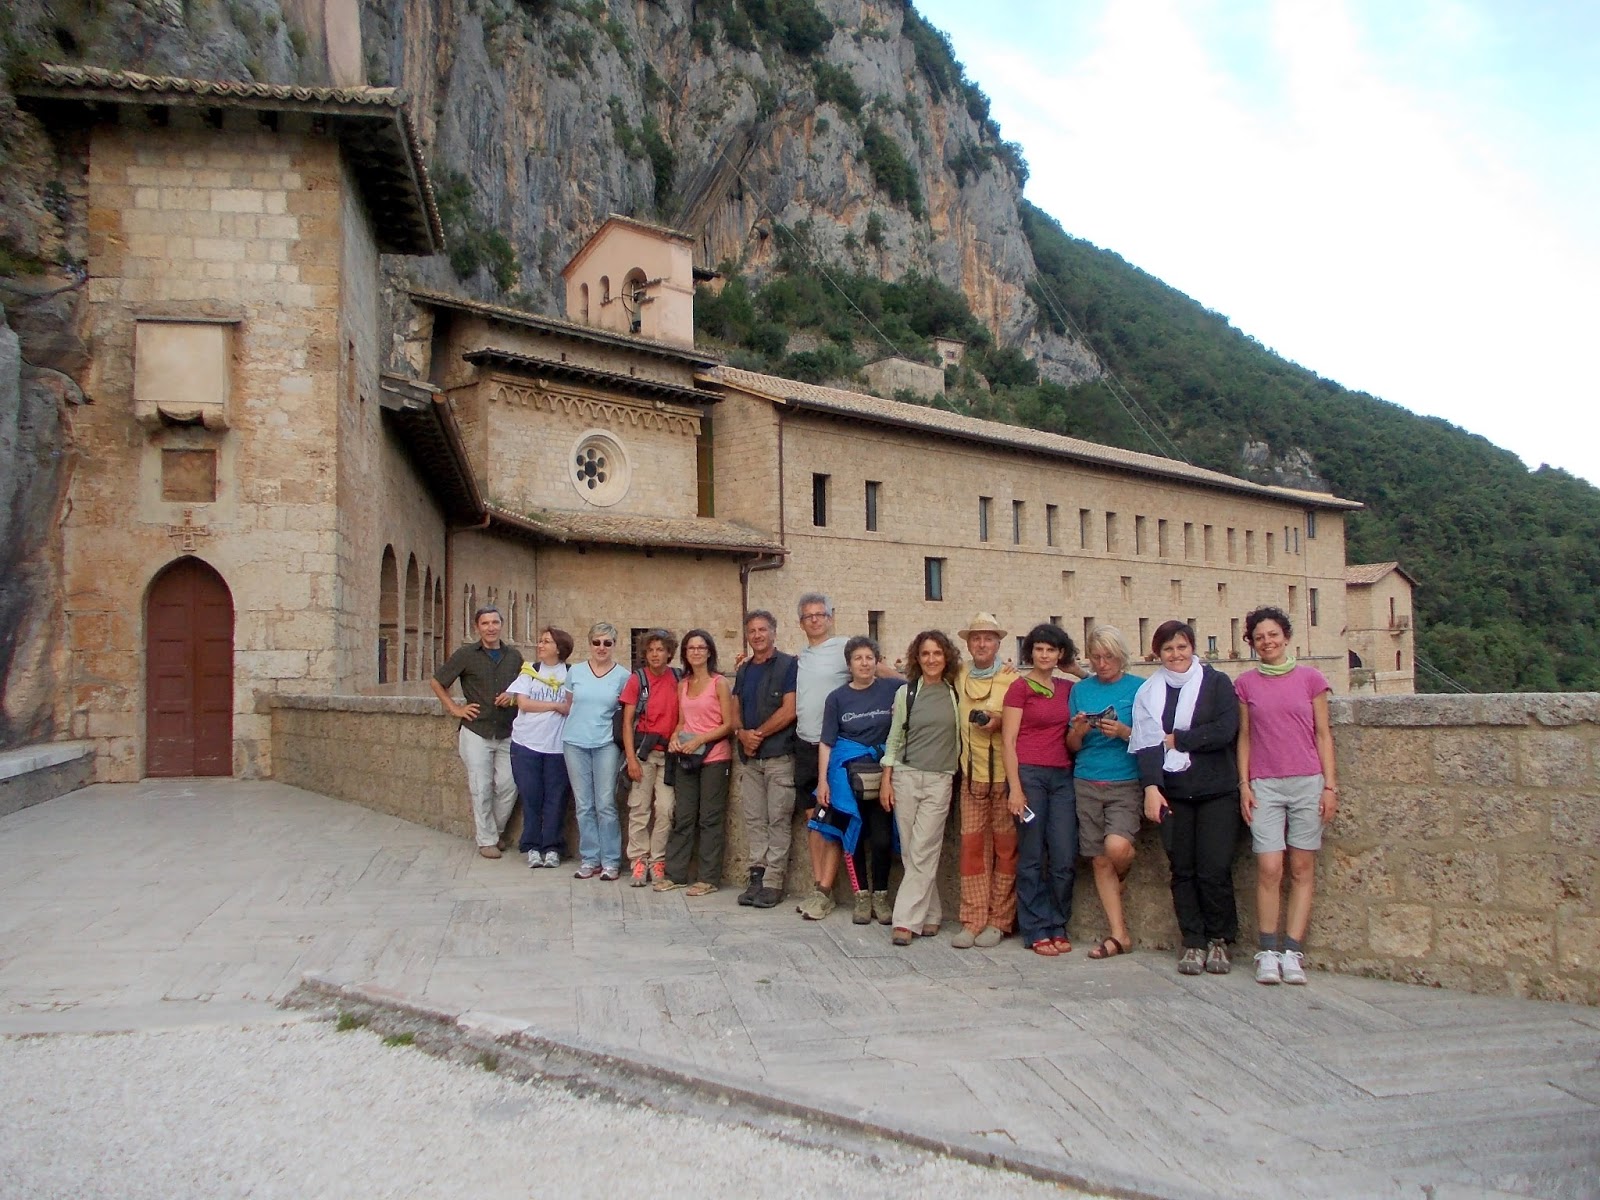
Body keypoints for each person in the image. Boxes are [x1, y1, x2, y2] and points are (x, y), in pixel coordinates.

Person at [1130, 620, 1242, 976]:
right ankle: (1193, 940)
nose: (1176, 655)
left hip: (1216, 790)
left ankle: (1219, 940)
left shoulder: (1217, 684)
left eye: (1181, 647)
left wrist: (1180, 739)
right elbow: (1147, 742)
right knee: (1182, 869)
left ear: (1192, 647)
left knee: (1215, 869)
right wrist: (1151, 787)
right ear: (1157, 654)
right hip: (1174, 792)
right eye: (1168, 649)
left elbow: (1225, 730)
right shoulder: (1149, 692)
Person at [1235, 605, 1338, 986]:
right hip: (1265, 784)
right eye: (1259, 637)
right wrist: (1244, 784)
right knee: (1269, 867)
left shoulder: (1311, 679)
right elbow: (1245, 736)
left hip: (1307, 781)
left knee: (1301, 868)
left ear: (1286, 637)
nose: (1267, 642)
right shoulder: (1245, 685)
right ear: (1251, 642)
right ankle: (1267, 950)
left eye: (1273, 635)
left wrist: (1330, 785)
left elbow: (1323, 735)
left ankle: (1293, 951)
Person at [799, 636, 900, 923]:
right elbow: (827, 742)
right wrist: (824, 782)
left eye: (870, 658)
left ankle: (881, 897)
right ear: (849, 664)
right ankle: (861, 897)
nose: (864, 663)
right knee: (851, 837)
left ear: (877, 662)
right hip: (846, 778)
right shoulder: (838, 698)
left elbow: (919, 687)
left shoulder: (893, 689)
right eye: (858, 658)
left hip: (882, 777)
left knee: (881, 839)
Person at [1001, 623, 1079, 956]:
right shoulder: (1019, 688)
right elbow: (1008, 740)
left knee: (1063, 854)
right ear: (1030, 652)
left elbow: (1095, 683)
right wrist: (1015, 789)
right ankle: (1035, 927)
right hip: (1029, 775)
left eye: (1051, 649)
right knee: (1032, 855)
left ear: (1060, 653)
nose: (1044, 655)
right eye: (1039, 649)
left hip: (1062, 776)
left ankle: (1057, 922)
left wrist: (1072, 666)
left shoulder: (1066, 688)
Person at [1065, 625, 1144, 959]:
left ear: (1120, 656)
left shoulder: (1140, 689)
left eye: (1108, 656)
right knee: (1098, 860)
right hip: (1086, 779)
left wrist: (1125, 731)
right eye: (1096, 657)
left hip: (1125, 780)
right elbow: (1071, 745)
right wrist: (1079, 730)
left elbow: (1151, 739)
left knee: (1116, 847)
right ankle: (1118, 934)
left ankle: (1122, 872)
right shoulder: (1080, 691)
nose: (1101, 663)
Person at [880, 630, 963, 946]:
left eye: (937, 654)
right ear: (917, 658)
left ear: (947, 658)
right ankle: (930, 915)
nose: (931, 659)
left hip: (940, 778)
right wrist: (887, 779)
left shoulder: (956, 693)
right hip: (905, 775)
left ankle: (905, 921)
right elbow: (894, 738)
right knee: (911, 851)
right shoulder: (907, 694)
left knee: (924, 847)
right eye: (926, 654)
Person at [430, 606, 524, 858]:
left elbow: (525, 687)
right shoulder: (466, 655)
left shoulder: (514, 657)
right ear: (477, 627)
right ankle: (486, 840)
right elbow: (438, 681)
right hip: (476, 729)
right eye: (485, 623)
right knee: (481, 786)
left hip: (507, 729)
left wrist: (513, 697)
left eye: (495, 622)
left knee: (508, 784)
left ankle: (494, 832)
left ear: (501, 625)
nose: (491, 628)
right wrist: (455, 708)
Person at [951, 613, 1021, 950]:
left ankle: (1000, 920)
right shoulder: (960, 674)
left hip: (1006, 779)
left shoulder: (1012, 678)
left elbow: (1024, 719)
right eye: (976, 638)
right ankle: (973, 919)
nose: (982, 644)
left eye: (988, 638)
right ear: (968, 643)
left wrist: (999, 720)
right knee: (972, 850)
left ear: (998, 643)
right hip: (972, 776)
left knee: (1007, 850)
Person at [658, 630, 736, 897]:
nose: (696, 652)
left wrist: (700, 739)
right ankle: (676, 874)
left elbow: (728, 724)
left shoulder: (719, 683)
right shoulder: (683, 684)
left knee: (710, 819)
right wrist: (675, 737)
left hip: (714, 756)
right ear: (685, 654)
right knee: (684, 816)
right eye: (691, 648)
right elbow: (682, 721)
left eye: (701, 647)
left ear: (710, 652)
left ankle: (708, 878)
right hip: (688, 756)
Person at [732, 610, 798, 909]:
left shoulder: (788, 665)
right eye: (752, 631)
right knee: (755, 820)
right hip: (749, 759)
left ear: (774, 632)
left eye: (762, 630)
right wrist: (740, 733)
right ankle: (756, 876)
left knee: (778, 820)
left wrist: (756, 734)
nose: (757, 635)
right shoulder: (745, 669)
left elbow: (789, 709)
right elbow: (735, 704)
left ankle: (773, 882)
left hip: (779, 756)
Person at [563, 621, 630, 881]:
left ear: (615, 645)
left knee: (605, 803)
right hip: (574, 742)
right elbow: (569, 705)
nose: (601, 647)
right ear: (589, 644)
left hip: (605, 745)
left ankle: (611, 860)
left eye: (607, 643)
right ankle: (590, 858)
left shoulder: (623, 676)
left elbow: (625, 714)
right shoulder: (575, 672)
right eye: (596, 642)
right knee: (583, 804)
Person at [506, 626, 574, 869]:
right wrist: (553, 706)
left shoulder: (571, 673)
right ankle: (532, 845)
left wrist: (554, 706)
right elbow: (523, 703)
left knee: (556, 798)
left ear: (559, 647)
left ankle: (552, 846)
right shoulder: (530, 671)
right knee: (531, 796)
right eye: (541, 641)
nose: (541, 645)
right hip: (527, 743)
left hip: (557, 746)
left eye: (546, 641)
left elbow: (571, 705)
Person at [620, 629, 681, 887]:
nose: (656, 655)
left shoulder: (678, 677)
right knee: (639, 808)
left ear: (669, 653)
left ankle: (658, 859)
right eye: (651, 650)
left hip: (669, 754)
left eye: (660, 650)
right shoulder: (637, 680)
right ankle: (638, 860)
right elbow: (627, 722)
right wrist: (631, 759)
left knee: (666, 808)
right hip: (644, 753)